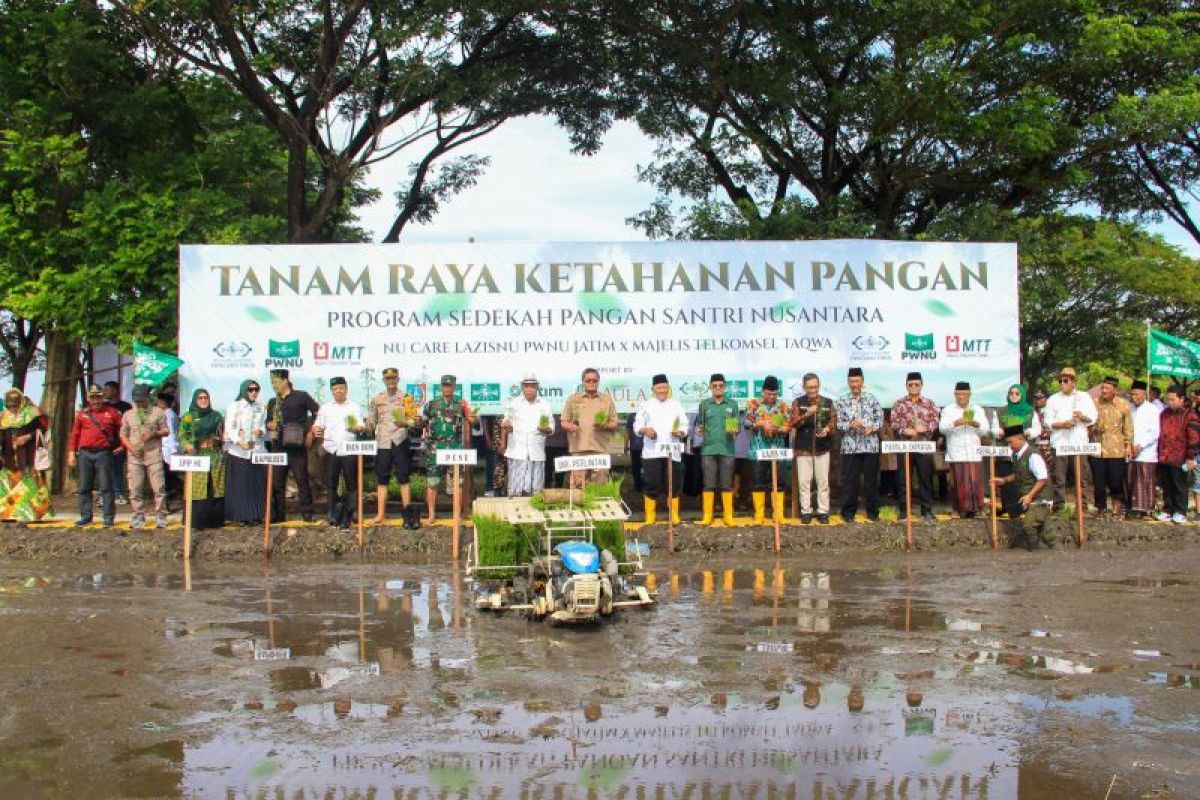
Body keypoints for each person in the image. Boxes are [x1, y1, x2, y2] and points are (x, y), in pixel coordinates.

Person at [366, 367, 420, 528]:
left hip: (399, 440)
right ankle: (380, 514)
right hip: (383, 441)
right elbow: (372, 422)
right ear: (384, 380)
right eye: (387, 379)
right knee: (382, 478)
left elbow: (415, 420)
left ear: (398, 379)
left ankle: (407, 514)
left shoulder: (406, 398)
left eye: (393, 378)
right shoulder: (377, 399)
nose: (391, 381)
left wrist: (406, 423)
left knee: (403, 477)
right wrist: (362, 427)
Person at [265, 369, 319, 523]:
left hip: (297, 446)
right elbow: (267, 422)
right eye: (272, 383)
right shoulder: (272, 402)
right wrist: (270, 424)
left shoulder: (301, 396)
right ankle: (279, 515)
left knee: (302, 480)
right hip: (278, 446)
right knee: (278, 482)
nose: (273, 385)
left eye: (275, 382)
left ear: (285, 381)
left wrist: (311, 432)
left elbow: (317, 412)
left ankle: (307, 514)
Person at [991, 424, 1056, 550]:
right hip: (1029, 498)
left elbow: (1042, 478)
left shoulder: (1033, 455)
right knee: (1044, 528)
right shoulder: (1016, 455)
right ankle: (1050, 546)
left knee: (1028, 525)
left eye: (1011, 442)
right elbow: (1019, 474)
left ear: (1021, 439)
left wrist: (1029, 496)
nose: (1010, 445)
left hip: (1040, 499)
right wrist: (1004, 480)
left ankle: (1034, 548)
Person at [1042, 366, 1098, 510]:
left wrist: (1082, 417)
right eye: (1060, 381)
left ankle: (1082, 506)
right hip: (1060, 442)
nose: (1062, 384)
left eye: (1065, 380)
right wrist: (1061, 424)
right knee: (1059, 477)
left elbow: (1093, 418)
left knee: (1081, 477)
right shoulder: (1053, 399)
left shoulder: (1084, 396)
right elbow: (1047, 421)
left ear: (1073, 382)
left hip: (1079, 442)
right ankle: (1059, 506)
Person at [634, 373, 688, 524]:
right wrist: (645, 430)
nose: (662, 391)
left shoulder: (676, 405)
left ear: (669, 388)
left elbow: (684, 425)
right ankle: (650, 516)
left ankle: (674, 515)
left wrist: (680, 432)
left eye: (664, 387)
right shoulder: (646, 405)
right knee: (652, 483)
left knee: (674, 484)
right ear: (653, 389)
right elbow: (637, 426)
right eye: (659, 388)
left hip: (673, 451)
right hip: (652, 452)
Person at [313, 376, 365, 529]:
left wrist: (357, 428)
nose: (338, 391)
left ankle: (352, 512)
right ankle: (331, 513)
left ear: (346, 389)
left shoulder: (354, 407)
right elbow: (318, 425)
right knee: (331, 483)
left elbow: (361, 425)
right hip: (331, 450)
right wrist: (317, 430)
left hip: (349, 449)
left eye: (341, 388)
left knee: (351, 482)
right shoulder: (326, 407)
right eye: (335, 389)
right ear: (332, 391)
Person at [68, 384, 123, 528]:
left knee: (106, 486)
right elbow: (75, 434)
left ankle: (108, 518)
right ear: (88, 398)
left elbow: (122, 431)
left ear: (102, 397)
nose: (96, 401)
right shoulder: (82, 414)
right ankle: (86, 516)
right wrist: (71, 453)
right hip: (85, 453)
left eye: (98, 397)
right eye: (92, 398)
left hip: (104, 453)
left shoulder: (112, 413)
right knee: (84, 487)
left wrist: (122, 446)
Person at [421, 375, 472, 525]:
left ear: (454, 387)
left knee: (458, 483)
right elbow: (422, 424)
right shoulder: (431, 404)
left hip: (454, 449)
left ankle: (457, 516)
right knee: (432, 482)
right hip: (435, 449)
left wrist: (473, 418)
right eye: (445, 386)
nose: (447, 388)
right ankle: (431, 515)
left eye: (450, 386)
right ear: (441, 387)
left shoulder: (461, 404)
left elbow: (471, 419)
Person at [835, 367, 883, 523]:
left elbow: (880, 420)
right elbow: (838, 424)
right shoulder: (842, 401)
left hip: (870, 446)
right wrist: (850, 424)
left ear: (862, 381)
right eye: (851, 381)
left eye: (857, 381)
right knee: (850, 482)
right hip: (850, 447)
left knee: (872, 481)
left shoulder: (872, 399)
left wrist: (872, 428)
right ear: (848, 382)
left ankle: (873, 512)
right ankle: (848, 513)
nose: (854, 384)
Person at [889, 372, 939, 521]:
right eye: (910, 384)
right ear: (906, 386)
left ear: (921, 385)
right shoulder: (899, 403)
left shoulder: (929, 403)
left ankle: (926, 511)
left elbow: (936, 420)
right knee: (903, 480)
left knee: (925, 478)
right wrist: (905, 430)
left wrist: (927, 428)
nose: (914, 387)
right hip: (905, 445)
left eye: (917, 384)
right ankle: (904, 511)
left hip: (923, 446)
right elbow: (893, 422)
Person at [120, 384, 170, 530]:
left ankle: (161, 516)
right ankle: (138, 516)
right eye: (137, 401)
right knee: (135, 488)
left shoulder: (158, 412)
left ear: (148, 398)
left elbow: (166, 431)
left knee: (158, 487)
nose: (139, 403)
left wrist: (154, 433)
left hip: (153, 454)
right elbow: (123, 435)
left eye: (142, 400)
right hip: (135, 457)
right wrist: (131, 448)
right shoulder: (128, 414)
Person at [938, 381, 991, 518]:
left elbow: (985, 430)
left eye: (965, 394)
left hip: (974, 451)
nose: (962, 397)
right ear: (955, 394)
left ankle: (977, 509)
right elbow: (942, 429)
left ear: (970, 394)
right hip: (957, 451)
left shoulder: (978, 409)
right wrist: (956, 423)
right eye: (959, 394)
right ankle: (958, 509)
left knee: (975, 482)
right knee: (958, 482)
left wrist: (976, 424)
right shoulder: (948, 410)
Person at [560, 368, 619, 488]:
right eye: (588, 380)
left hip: (600, 449)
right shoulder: (573, 399)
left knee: (600, 487)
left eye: (594, 380)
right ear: (583, 381)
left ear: (598, 381)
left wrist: (605, 425)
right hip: (578, 449)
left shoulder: (607, 400)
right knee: (578, 486)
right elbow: (564, 422)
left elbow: (614, 423)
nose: (591, 383)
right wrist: (572, 427)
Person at [745, 375, 792, 524]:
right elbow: (746, 423)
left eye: (774, 393)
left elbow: (788, 424)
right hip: (758, 449)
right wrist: (761, 423)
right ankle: (759, 514)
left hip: (777, 449)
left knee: (779, 482)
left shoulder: (783, 406)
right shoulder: (753, 404)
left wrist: (783, 428)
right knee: (758, 481)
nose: (771, 396)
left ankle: (777, 514)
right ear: (763, 391)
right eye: (768, 393)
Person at [0, 388, 51, 522]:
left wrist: (28, 436)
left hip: (28, 455)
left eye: (15, 405)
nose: (12, 408)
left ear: (21, 402)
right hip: (9, 457)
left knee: (30, 484)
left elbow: (43, 428)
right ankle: (10, 514)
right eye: (9, 406)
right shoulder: (3, 416)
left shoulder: (32, 413)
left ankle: (33, 514)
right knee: (10, 485)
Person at [791, 373, 835, 525]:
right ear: (804, 387)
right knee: (804, 482)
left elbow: (833, 423)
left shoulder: (828, 402)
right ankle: (806, 511)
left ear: (819, 385)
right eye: (809, 387)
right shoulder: (798, 402)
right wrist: (807, 414)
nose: (813, 390)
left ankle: (823, 511)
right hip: (803, 448)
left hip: (822, 448)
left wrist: (827, 430)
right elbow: (794, 423)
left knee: (823, 482)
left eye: (815, 386)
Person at [178, 387, 226, 530]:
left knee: (214, 487)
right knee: (198, 488)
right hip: (197, 456)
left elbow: (223, 434)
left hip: (214, 456)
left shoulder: (216, 415)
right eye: (200, 398)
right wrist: (188, 446)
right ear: (195, 400)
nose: (203, 400)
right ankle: (196, 522)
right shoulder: (188, 416)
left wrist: (217, 439)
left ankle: (214, 521)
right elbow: (182, 435)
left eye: (206, 398)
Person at [223, 379, 268, 526]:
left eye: (256, 389)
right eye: (250, 390)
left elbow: (263, 426)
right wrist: (238, 440)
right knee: (241, 485)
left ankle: (256, 515)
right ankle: (241, 516)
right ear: (244, 390)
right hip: (239, 452)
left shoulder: (261, 407)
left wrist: (261, 431)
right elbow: (229, 427)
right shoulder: (234, 407)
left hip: (257, 450)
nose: (254, 392)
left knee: (257, 483)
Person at [696, 373, 739, 525]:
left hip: (727, 449)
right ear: (710, 387)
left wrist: (734, 431)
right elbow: (699, 425)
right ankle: (708, 516)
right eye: (714, 386)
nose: (718, 388)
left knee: (727, 484)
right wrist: (699, 429)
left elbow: (737, 428)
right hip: (708, 449)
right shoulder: (704, 404)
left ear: (725, 387)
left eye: (720, 385)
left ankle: (728, 516)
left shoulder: (732, 404)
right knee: (708, 484)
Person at [501, 373, 554, 496]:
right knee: (514, 491)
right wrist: (507, 426)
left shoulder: (545, 404)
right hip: (517, 452)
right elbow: (506, 424)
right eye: (526, 386)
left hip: (536, 453)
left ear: (537, 387)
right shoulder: (514, 403)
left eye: (532, 386)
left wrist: (545, 429)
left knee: (536, 492)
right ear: (522, 387)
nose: (529, 389)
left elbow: (551, 428)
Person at [1089, 376, 1133, 518]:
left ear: (1115, 390)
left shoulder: (1123, 404)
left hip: (1116, 450)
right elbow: (1088, 425)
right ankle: (1100, 510)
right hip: (1097, 450)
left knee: (1116, 482)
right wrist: (1095, 429)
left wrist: (1128, 446)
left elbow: (1128, 428)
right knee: (1099, 483)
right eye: (1102, 388)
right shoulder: (1095, 403)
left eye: (1107, 388)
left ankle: (1115, 510)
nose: (1103, 391)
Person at [1156, 385, 1199, 524]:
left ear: (1181, 399)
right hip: (1164, 455)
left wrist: (1190, 457)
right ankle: (1168, 510)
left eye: (1173, 399)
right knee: (1166, 485)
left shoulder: (1190, 415)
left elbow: (1194, 438)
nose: (1170, 402)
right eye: (1168, 399)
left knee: (1179, 486)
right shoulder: (1164, 414)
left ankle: (1180, 511)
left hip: (1180, 456)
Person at [1127, 380, 1159, 519]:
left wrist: (1140, 446)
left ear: (1144, 394)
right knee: (1131, 480)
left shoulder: (1152, 409)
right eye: (1132, 394)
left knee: (1145, 481)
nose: (1133, 397)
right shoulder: (1130, 408)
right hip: (1130, 451)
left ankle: (1146, 510)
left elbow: (1154, 432)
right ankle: (1133, 509)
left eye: (1136, 394)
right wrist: (1130, 446)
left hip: (1147, 452)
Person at [103, 380, 131, 505]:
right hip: (104, 444)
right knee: (104, 469)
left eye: (107, 390)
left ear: (115, 391)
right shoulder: (103, 407)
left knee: (117, 469)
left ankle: (118, 493)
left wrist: (124, 444)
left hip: (120, 443)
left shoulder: (126, 407)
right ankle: (105, 494)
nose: (104, 393)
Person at [156, 390, 180, 503]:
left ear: (162, 402)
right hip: (169, 448)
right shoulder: (171, 413)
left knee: (166, 479)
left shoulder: (167, 415)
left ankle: (167, 503)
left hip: (168, 449)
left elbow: (171, 434)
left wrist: (173, 449)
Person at [624, 412, 644, 493]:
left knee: (646, 466)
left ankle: (643, 485)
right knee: (636, 466)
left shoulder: (650, 412)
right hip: (635, 446)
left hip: (649, 447)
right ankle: (637, 485)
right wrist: (625, 445)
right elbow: (627, 431)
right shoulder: (631, 415)